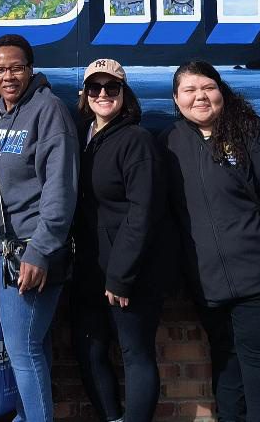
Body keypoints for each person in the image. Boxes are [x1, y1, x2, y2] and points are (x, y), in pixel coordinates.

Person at [161, 61, 260, 422]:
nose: (200, 96)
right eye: (190, 90)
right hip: (209, 289)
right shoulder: (170, 143)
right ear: (176, 99)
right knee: (227, 377)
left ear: (221, 91)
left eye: (208, 87)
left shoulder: (252, 133)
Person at [0, 33, 78, 422]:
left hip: (30, 252)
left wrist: (40, 251)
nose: (8, 76)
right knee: (29, 348)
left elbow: (61, 188)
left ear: (30, 69)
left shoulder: (48, 110)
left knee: (23, 350)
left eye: (16, 67)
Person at [70, 58, 172, 422]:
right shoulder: (83, 137)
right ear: (84, 94)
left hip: (129, 273)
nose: (102, 94)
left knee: (135, 353)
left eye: (111, 88)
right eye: (95, 88)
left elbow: (143, 214)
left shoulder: (137, 141)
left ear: (124, 94)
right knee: (89, 349)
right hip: (89, 271)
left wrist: (122, 275)